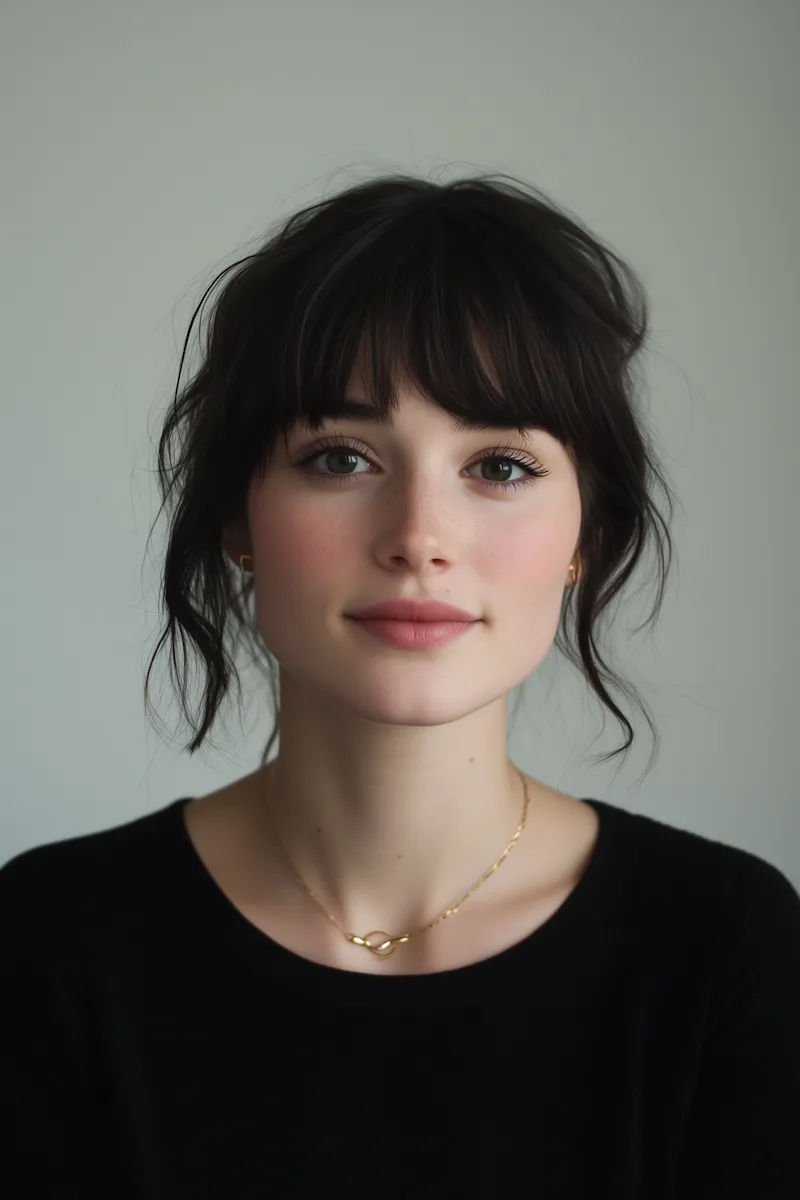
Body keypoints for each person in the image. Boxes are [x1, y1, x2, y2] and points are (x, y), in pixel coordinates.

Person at [3, 171, 799, 1198]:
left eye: (499, 466)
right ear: (238, 517)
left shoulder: (725, 948)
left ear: (585, 537)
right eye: (340, 458)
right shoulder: (53, 939)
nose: (419, 538)